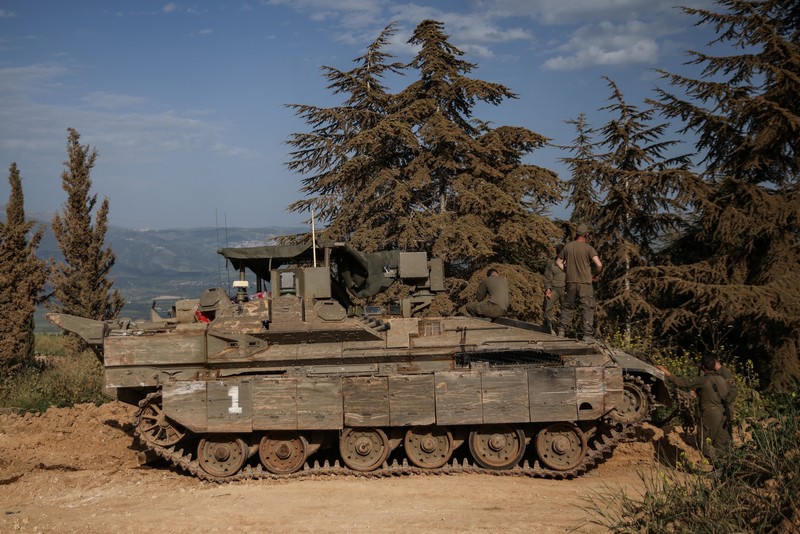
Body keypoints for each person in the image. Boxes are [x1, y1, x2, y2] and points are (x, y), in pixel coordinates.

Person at [656, 355, 732, 459]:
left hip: (710, 413)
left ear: (703, 367)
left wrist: (667, 372)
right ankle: (722, 468)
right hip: (723, 413)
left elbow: (681, 382)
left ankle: (716, 465)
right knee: (719, 443)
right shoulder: (722, 379)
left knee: (704, 442)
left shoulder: (704, 380)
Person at [556, 223, 602, 342]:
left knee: (568, 306)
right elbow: (599, 264)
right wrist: (595, 275)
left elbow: (558, 262)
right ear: (586, 234)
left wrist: (567, 271)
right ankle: (587, 335)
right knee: (586, 307)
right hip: (585, 283)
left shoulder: (568, 247)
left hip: (570, 281)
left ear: (576, 234)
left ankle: (561, 331)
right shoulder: (589, 248)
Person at [542, 244, 565, 335]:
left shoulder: (569, 263)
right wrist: (548, 289)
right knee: (547, 303)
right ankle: (548, 325)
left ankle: (562, 329)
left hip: (565, 288)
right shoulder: (551, 263)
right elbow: (547, 276)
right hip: (554, 288)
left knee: (566, 309)